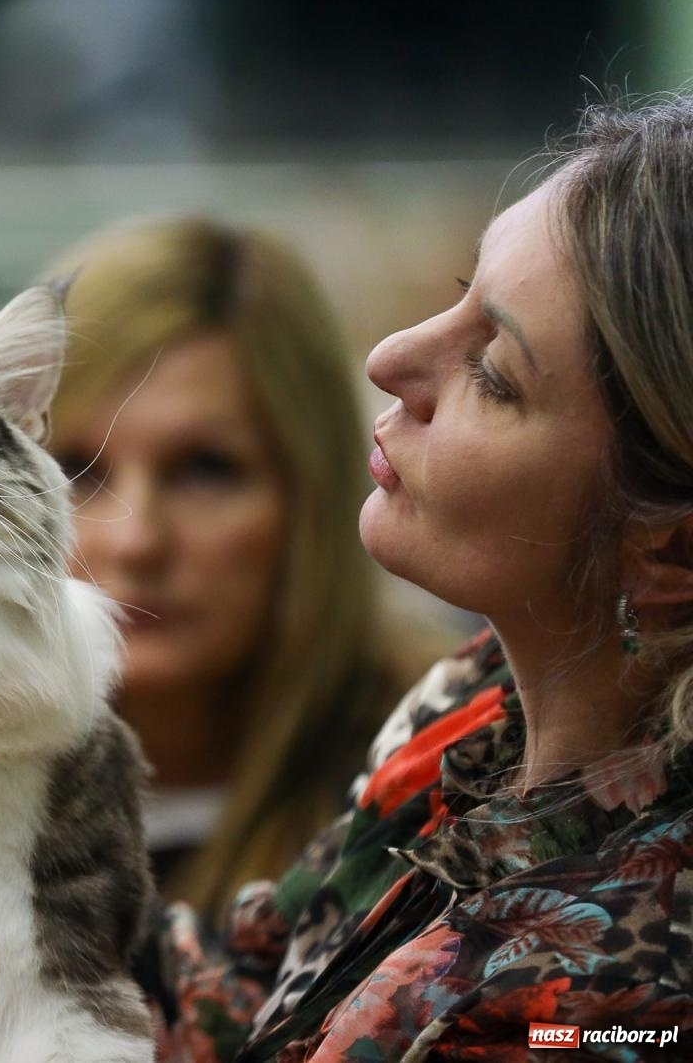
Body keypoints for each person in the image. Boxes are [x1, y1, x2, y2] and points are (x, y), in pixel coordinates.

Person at [147, 92, 693, 1060]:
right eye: (459, 290)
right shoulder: (477, 698)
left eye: (492, 370)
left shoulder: (613, 1005)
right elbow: (230, 999)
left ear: (669, 551)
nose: (390, 356)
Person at [45, 218, 450, 914]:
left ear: (311, 495)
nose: (136, 540)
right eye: (76, 470)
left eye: (206, 470)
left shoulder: (451, 789)